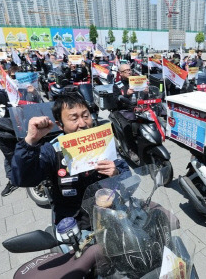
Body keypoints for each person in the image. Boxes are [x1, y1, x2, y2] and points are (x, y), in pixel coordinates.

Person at [11, 94, 130, 230]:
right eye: (74, 118)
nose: (83, 124)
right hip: (73, 222)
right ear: (60, 125)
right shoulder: (52, 150)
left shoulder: (104, 142)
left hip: (108, 213)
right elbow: (23, 179)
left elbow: (126, 176)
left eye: (86, 116)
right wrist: (30, 141)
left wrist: (116, 172)